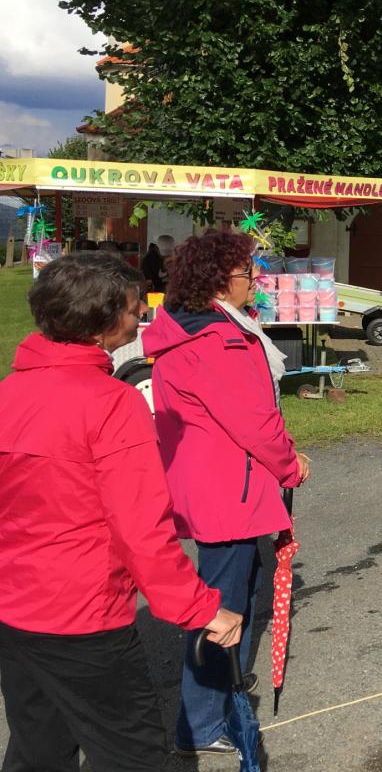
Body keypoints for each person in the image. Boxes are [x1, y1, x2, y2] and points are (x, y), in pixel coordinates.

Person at [0, 252, 243, 772]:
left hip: (16, 612)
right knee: (134, 757)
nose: (141, 317)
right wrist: (201, 608)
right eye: (134, 310)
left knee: (38, 750)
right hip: (83, 618)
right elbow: (142, 531)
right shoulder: (113, 403)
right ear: (102, 322)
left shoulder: (9, 392)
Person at [143, 230, 310, 757]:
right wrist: (290, 465)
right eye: (247, 274)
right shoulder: (218, 340)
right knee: (221, 608)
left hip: (217, 483)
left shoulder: (198, 330)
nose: (254, 281)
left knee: (235, 592)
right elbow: (256, 421)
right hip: (227, 491)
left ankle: (222, 685)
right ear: (220, 281)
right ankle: (200, 722)